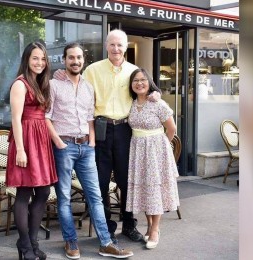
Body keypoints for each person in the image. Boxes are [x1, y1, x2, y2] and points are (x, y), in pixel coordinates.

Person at [54, 29, 160, 242]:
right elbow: (74, 83)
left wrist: (154, 93)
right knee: (100, 182)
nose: (116, 48)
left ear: (126, 46)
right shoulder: (92, 70)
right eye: (112, 44)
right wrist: (60, 73)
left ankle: (129, 225)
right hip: (99, 129)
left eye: (120, 45)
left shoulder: (133, 71)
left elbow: (145, 88)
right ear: (106, 46)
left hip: (124, 129)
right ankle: (108, 227)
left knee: (126, 180)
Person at [46, 43, 133, 259]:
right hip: (64, 147)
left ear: (83, 60)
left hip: (87, 147)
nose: (75, 61)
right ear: (64, 60)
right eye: (71, 58)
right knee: (64, 197)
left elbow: (89, 117)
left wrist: (92, 141)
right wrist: (57, 141)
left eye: (78, 58)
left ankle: (106, 242)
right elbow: (46, 116)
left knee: (96, 196)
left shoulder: (88, 86)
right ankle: (71, 241)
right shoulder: (53, 84)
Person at [6, 42, 58, 260]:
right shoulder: (20, 84)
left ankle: (32, 242)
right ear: (27, 59)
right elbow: (16, 120)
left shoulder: (40, 83)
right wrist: (20, 150)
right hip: (25, 141)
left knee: (44, 192)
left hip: (40, 141)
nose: (39, 63)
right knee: (24, 192)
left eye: (43, 59)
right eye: (35, 58)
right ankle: (25, 246)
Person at [125, 68, 180, 249]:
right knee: (144, 191)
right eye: (135, 81)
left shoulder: (158, 103)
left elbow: (171, 129)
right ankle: (148, 225)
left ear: (149, 82)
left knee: (155, 191)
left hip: (156, 152)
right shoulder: (131, 103)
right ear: (131, 85)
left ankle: (155, 229)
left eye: (143, 80)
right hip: (138, 152)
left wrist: (162, 147)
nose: (139, 83)